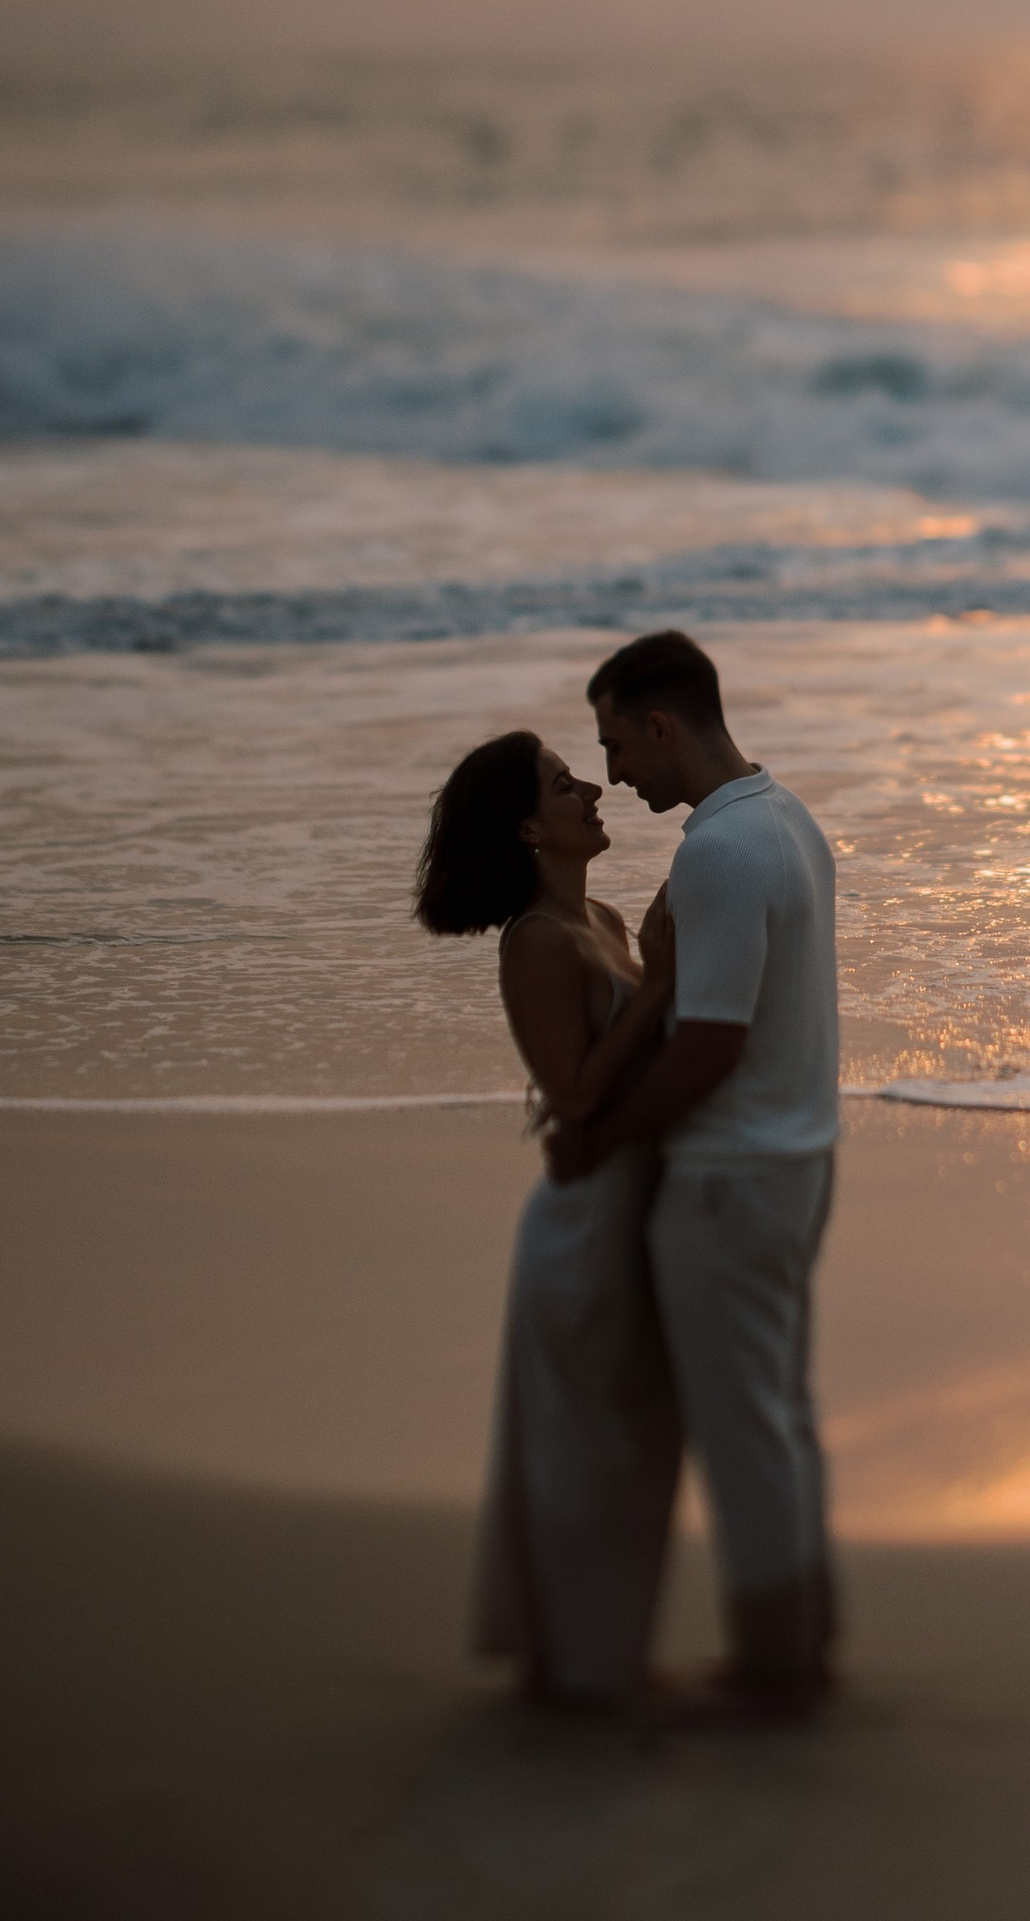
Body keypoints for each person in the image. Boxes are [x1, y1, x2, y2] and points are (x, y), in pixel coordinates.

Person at [545, 630, 840, 1719]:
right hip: (797, 1157)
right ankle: (803, 1638)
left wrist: (602, 1135)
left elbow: (710, 1041)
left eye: (618, 744)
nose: (615, 772)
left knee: (740, 1425)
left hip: (730, 1176)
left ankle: (774, 1665)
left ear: (663, 726)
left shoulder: (718, 852)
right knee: (778, 1413)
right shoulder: (786, 819)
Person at [413, 726, 681, 1715]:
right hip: (583, 1222)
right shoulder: (538, 940)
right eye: (564, 785)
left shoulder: (606, 916)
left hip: (635, 1200)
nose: (591, 793)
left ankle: (601, 1653)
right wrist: (655, 991)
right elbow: (568, 1096)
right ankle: (577, 1668)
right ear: (529, 827)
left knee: (636, 1434)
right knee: (583, 1444)